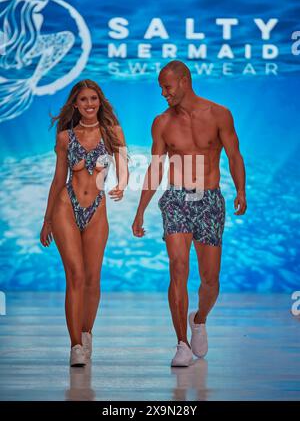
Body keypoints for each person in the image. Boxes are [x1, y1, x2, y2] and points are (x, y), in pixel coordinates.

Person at [132, 61, 246, 367]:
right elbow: (156, 167)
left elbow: (234, 154)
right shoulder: (162, 122)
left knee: (210, 280)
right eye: (160, 88)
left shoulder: (219, 114)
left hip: (209, 200)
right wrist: (141, 210)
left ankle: (200, 318)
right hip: (176, 199)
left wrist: (240, 190)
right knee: (178, 266)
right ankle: (181, 343)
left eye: (167, 87)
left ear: (184, 81)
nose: (163, 93)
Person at [40, 80, 128, 367]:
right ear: (75, 105)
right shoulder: (65, 137)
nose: (89, 104)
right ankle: (75, 346)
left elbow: (124, 164)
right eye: (83, 100)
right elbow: (58, 179)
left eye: (93, 98)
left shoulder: (112, 132)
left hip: (97, 209)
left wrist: (122, 185)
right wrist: (47, 219)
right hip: (67, 205)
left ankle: (86, 332)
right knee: (75, 276)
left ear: (99, 101)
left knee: (92, 279)